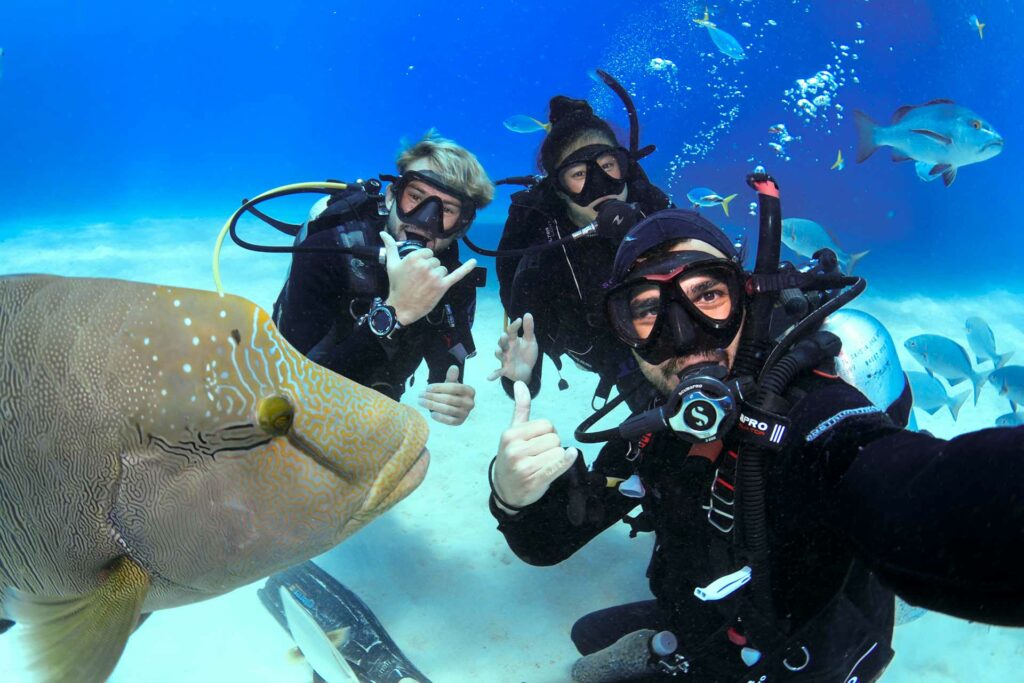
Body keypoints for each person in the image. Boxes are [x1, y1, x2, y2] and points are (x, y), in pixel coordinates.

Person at [488, 207, 1024, 681]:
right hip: (709, 622)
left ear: (750, 300)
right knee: (588, 639)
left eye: (708, 295)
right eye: (649, 309)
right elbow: (548, 542)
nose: (684, 333)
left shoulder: (815, 412)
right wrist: (511, 496)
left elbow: (919, 493)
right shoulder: (656, 431)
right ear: (623, 332)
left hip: (804, 654)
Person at [272, 130, 494, 425]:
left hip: (375, 413)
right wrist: (397, 312)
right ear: (392, 195)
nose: (425, 219)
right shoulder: (328, 250)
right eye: (415, 197)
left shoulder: (452, 282)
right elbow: (295, 391)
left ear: (462, 225)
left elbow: (447, 378)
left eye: (447, 209)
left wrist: (453, 403)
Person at [489, 94, 673, 411]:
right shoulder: (544, 253)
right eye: (579, 174)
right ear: (558, 188)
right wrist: (520, 378)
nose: (601, 185)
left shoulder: (655, 214)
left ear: (625, 168)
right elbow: (526, 358)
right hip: (613, 359)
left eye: (607, 166)